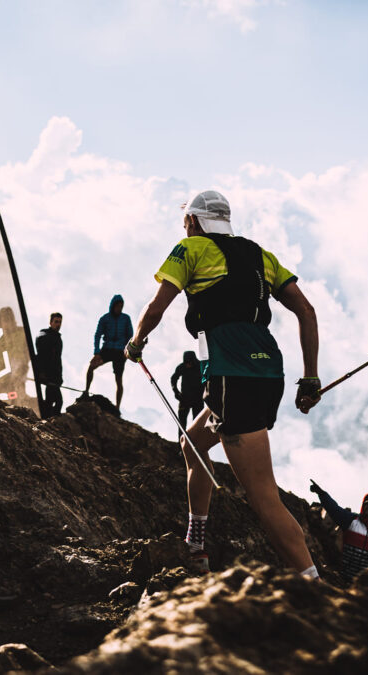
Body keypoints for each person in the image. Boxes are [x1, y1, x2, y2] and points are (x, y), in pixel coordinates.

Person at [124, 190, 322, 577]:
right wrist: (310, 377)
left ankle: (317, 589)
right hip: (266, 372)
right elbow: (306, 310)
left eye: (186, 222)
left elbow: (155, 307)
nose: (185, 227)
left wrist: (135, 343)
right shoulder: (259, 255)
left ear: (194, 222)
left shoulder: (190, 249)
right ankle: (195, 546)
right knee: (193, 444)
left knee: (263, 497)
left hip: (234, 376)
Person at [309, 480, 368, 580]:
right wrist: (322, 494)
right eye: (367, 504)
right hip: (344, 577)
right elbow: (334, 509)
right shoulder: (351, 520)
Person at [84, 294, 133, 408]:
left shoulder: (126, 318)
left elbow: (130, 336)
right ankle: (86, 391)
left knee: (119, 379)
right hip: (107, 349)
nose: (119, 308)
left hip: (120, 352)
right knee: (91, 366)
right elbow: (97, 335)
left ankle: (117, 407)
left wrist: (128, 352)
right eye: (117, 306)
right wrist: (96, 352)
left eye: (121, 306)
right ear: (113, 306)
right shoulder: (105, 318)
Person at [35, 312, 64, 418]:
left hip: (54, 376)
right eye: (56, 322)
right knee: (57, 402)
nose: (58, 324)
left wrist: (59, 377)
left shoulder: (58, 338)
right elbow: (42, 354)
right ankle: (47, 419)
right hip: (47, 374)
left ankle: (48, 419)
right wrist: (42, 372)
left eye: (60, 322)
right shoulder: (44, 335)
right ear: (51, 322)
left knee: (54, 402)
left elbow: (57, 360)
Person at [170, 350, 204, 430]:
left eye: (190, 362)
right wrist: (175, 391)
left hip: (198, 399)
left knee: (197, 424)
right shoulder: (182, 367)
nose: (188, 364)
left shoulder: (201, 366)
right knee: (181, 423)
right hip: (184, 398)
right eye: (186, 362)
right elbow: (173, 379)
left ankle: (196, 442)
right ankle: (181, 442)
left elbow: (208, 380)